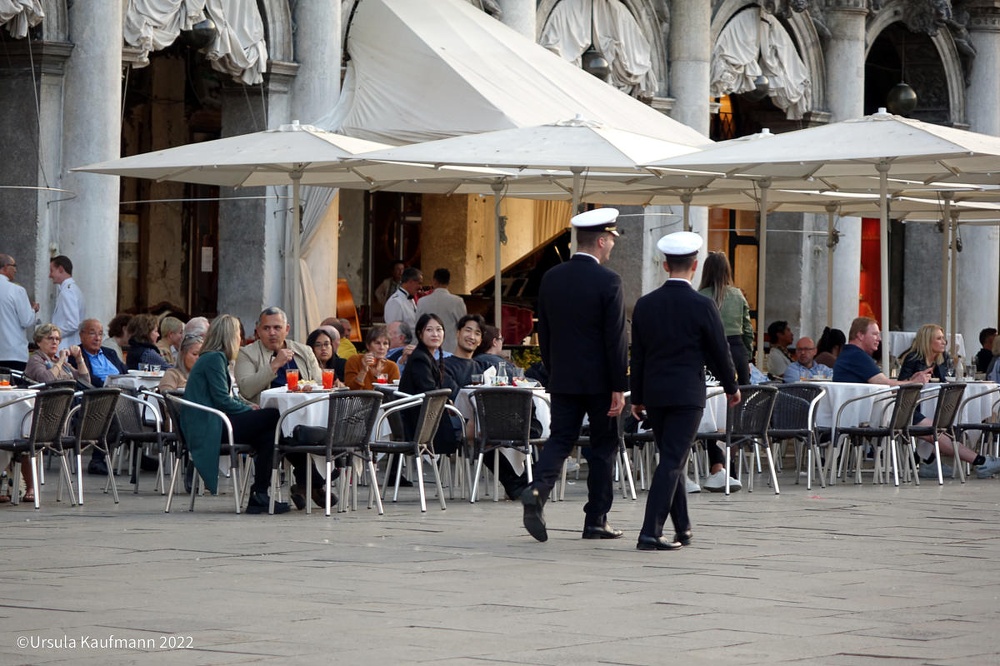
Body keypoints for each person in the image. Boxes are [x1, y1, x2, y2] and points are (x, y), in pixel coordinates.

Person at [520, 208, 628, 544]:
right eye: (610, 239)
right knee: (602, 448)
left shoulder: (552, 278)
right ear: (600, 240)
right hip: (600, 382)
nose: (611, 245)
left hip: (564, 377)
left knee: (560, 439)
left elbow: (546, 334)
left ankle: (538, 489)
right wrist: (618, 386)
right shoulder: (609, 281)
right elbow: (616, 339)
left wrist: (554, 371)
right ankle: (596, 518)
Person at [631, 231, 740, 551]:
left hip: (655, 393)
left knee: (671, 457)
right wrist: (731, 386)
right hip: (687, 395)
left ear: (665, 265)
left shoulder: (645, 305)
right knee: (673, 461)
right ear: (694, 265)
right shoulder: (702, 305)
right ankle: (650, 531)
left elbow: (637, 356)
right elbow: (720, 351)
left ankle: (684, 527)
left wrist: (636, 396)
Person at [180, 315, 290, 514]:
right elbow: (222, 399)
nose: (241, 338)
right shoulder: (214, 358)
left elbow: (228, 396)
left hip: (211, 421)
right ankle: (269, 491)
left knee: (268, 436)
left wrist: (248, 408)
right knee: (274, 415)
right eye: (239, 334)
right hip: (209, 425)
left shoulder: (213, 357)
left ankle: (259, 494)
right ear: (230, 336)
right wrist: (249, 409)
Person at [896, 323, 1000, 478]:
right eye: (939, 338)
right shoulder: (913, 358)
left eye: (943, 338)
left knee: (947, 420)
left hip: (932, 404)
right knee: (937, 428)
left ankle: (930, 461)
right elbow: (903, 387)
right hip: (910, 409)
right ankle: (980, 461)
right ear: (927, 341)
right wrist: (914, 380)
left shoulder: (941, 358)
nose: (944, 342)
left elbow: (944, 381)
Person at [398, 313, 461, 456]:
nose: (435, 334)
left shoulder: (427, 356)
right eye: (429, 330)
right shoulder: (420, 358)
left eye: (439, 330)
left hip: (425, 416)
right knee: (467, 429)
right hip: (418, 422)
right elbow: (429, 390)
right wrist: (449, 402)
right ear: (420, 334)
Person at [234, 306, 322, 404]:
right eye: (266, 328)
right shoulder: (247, 353)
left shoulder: (304, 351)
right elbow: (246, 390)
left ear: (287, 329)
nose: (272, 333)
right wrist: (274, 365)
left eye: (277, 327)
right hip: (267, 411)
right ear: (258, 331)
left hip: (303, 407)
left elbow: (320, 383)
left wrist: (310, 388)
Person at [698, 251, 753, 385]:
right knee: (741, 398)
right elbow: (748, 330)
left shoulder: (700, 296)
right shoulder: (738, 295)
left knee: (712, 396)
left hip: (709, 352)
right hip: (736, 349)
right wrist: (747, 355)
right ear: (727, 271)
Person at [0, 253, 39, 371]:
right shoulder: (16, 290)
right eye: (14, 266)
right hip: (13, 353)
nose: (16, 270)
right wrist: (33, 310)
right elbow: (26, 321)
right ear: (6, 267)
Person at [415, 268, 467, 354]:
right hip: (450, 348)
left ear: (434, 281)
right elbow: (463, 325)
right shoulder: (457, 301)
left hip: (428, 349)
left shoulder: (422, 301)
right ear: (448, 282)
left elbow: (418, 326)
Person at [24, 323, 91, 386]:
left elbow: (85, 382)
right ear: (38, 342)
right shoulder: (35, 359)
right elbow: (46, 380)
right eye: (50, 338)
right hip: (47, 397)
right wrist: (61, 360)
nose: (54, 342)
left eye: (57, 339)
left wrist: (79, 358)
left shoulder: (59, 361)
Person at [75, 318, 127, 387]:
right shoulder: (77, 354)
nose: (97, 338)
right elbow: (87, 380)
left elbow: (126, 371)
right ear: (81, 336)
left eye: (100, 334)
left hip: (123, 390)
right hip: (101, 393)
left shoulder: (110, 352)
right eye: (92, 333)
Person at [344, 325, 400, 390]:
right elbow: (350, 390)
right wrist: (363, 370)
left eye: (385, 344)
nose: (381, 347)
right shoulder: (354, 360)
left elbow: (394, 393)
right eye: (377, 343)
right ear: (368, 345)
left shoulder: (392, 367)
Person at [49, 255, 84, 351]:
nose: (50, 275)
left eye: (52, 271)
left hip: (65, 347)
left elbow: (72, 324)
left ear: (60, 269)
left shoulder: (67, 292)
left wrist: (51, 334)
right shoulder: (73, 289)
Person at [442, 314, 486, 388]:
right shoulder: (443, 366)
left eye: (477, 333)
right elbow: (456, 396)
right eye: (468, 330)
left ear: (480, 341)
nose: (472, 337)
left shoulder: (484, 367)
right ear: (458, 333)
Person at [384, 266, 423, 331]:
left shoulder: (411, 299)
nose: (420, 287)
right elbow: (394, 331)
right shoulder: (395, 302)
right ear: (410, 282)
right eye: (419, 283)